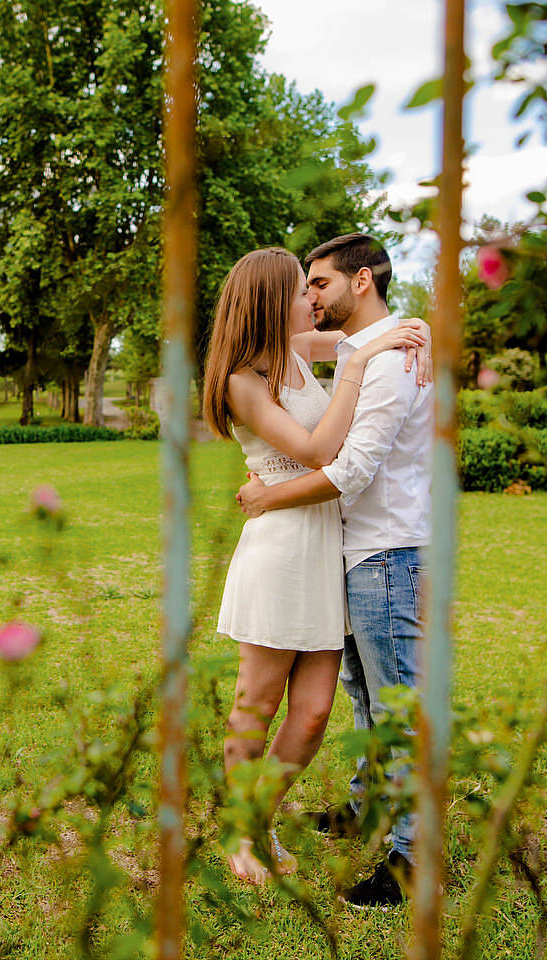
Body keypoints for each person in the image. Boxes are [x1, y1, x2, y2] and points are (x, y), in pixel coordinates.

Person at [202, 246, 430, 885]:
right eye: (304, 288)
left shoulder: (298, 349)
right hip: (279, 547)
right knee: (258, 700)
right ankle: (237, 834)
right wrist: (358, 365)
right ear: (275, 299)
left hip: (327, 546)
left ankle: (261, 818)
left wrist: (419, 332)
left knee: (312, 712)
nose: (315, 298)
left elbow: (374, 331)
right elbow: (319, 446)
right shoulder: (242, 380)